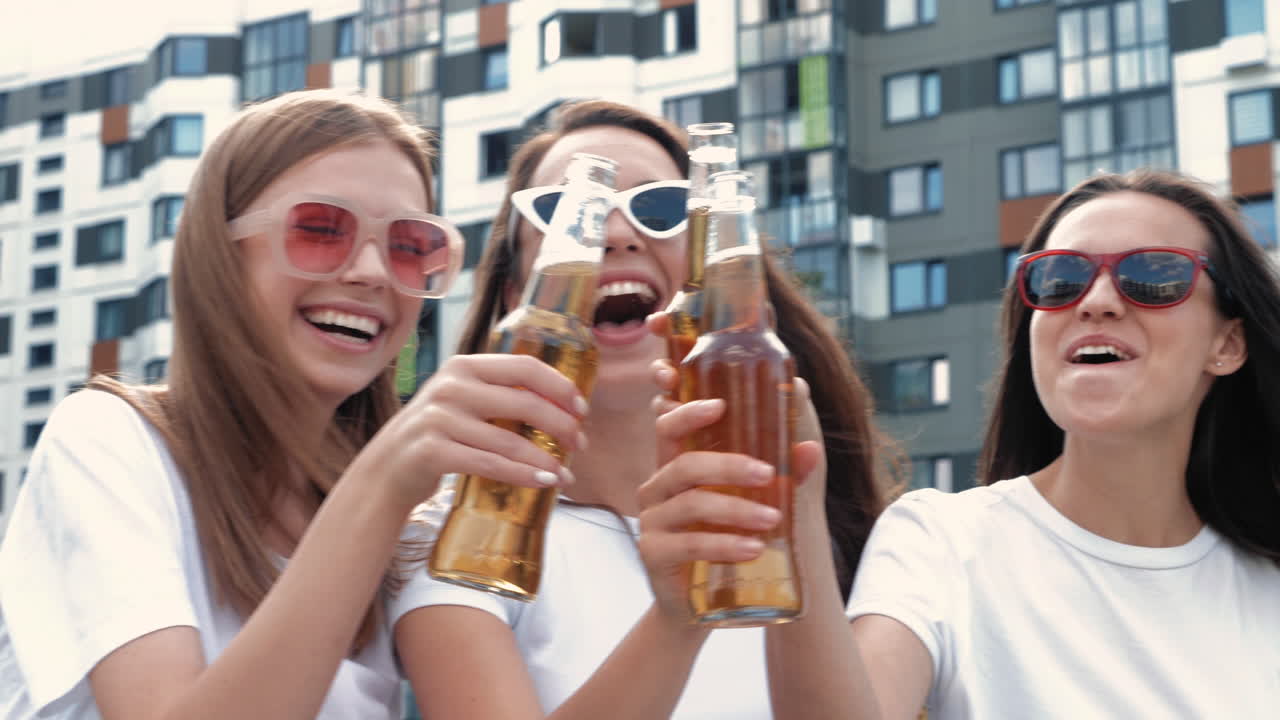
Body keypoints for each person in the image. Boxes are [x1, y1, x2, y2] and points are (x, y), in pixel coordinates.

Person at [0, 88, 587, 720]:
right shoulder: (108, 437)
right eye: (319, 231)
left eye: (411, 245)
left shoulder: (412, 515)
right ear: (220, 254)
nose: (371, 272)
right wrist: (381, 484)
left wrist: (676, 618)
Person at [652, 168, 1280, 718]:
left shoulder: (1263, 585)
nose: (1099, 300)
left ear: (1228, 344)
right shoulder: (943, 542)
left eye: (1154, 275)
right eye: (1060, 279)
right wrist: (794, 510)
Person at [390, 99, 890, 718]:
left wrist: (798, 509)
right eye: (574, 213)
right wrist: (674, 620)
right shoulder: (449, 536)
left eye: (660, 208)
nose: (618, 233)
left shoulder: (875, 542)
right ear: (520, 291)